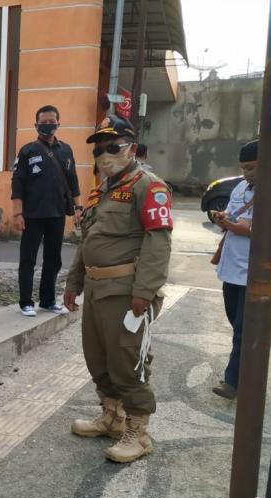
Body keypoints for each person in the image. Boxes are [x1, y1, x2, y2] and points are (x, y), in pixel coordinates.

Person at [63, 114, 173, 464]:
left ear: (132, 149)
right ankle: (111, 418)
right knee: (98, 359)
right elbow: (88, 241)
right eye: (99, 149)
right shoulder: (103, 190)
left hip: (127, 291)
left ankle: (137, 433)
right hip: (97, 289)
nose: (104, 155)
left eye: (113, 147)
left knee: (129, 362)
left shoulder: (148, 186)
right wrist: (73, 282)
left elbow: (158, 243)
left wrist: (145, 291)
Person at [211, 141, 271, 398]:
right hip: (232, 268)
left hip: (260, 271)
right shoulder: (242, 188)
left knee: (247, 327)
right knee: (237, 323)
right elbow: (232, 215)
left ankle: (235, 382)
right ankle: (246, 371)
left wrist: (249, 231)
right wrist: (223, 219)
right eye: (243, 168)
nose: (247, 173)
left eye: (252, 167)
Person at [11, 104, 81, 316]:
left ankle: (48, 300)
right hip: (32, 215)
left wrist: (78, 207)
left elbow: (73, 180)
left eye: (52, 122)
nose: (48, 126)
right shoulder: (27, 151)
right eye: (44, 122)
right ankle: (25, 302)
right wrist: (17, 213)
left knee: (53, 259)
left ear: (58, 124)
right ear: (36, 125)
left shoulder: (66, 150)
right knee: (28, 259)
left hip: (57, 214)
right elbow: (17, 184)